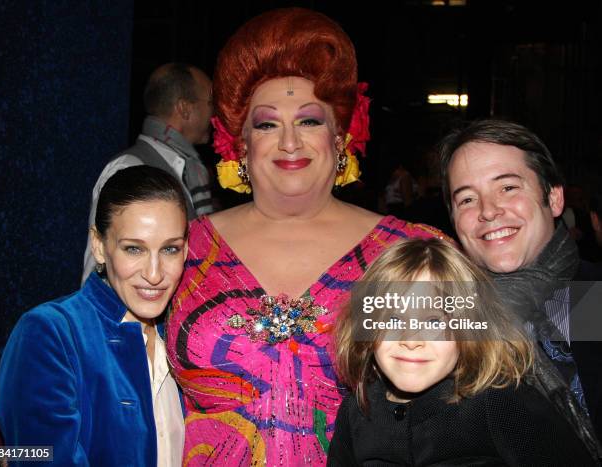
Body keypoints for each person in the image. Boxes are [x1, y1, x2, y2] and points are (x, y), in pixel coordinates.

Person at [164, 8, 446, 466]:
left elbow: (498, 356)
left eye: (310, 121)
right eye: (268, 124)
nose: (290, 142)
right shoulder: (181, 248)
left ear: (341, 139)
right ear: (240, 145)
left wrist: (570, 277)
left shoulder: (413, 252)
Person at [329, 238, 598, 466]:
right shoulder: (357, 410)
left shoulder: (500, 403)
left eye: (434, 322)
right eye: (394, 320)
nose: (411, 340)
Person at [0, 166, 188, 466]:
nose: (154, 274)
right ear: (99, 247)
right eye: (133, 249)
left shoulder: (186, 338)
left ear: (186, 249)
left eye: (169, 249)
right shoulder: (50, 333)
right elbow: (32, 456)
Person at [438, 118, 602, 442]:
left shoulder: (590, 296)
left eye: (508, 187)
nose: (488, 211)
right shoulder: (440, 320)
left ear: (554, 198)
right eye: (467, 199)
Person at [82, 63, 214, 282]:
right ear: (184, 108)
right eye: (211, 103)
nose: (215, 113)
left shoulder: (190, 171)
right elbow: (96, 271)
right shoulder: (129, 167)